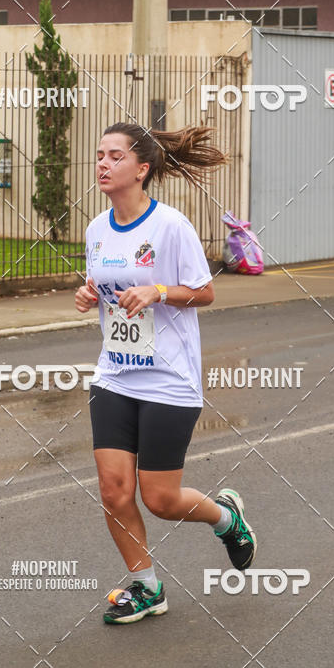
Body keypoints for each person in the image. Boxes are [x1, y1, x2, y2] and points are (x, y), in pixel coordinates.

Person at [75, 122, 256, 625]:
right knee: (114, 489)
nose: (103, 164)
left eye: (115, 155)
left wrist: (159, 291)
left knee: (161, 499)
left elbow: (205, 292)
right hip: (114, 375)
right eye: (99, 154)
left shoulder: (171, 227)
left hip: (169, 381)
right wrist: (90, 294)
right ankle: (146, 586)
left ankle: (226, 517)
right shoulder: (96, 229)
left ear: (143, 168)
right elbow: (103, 286)